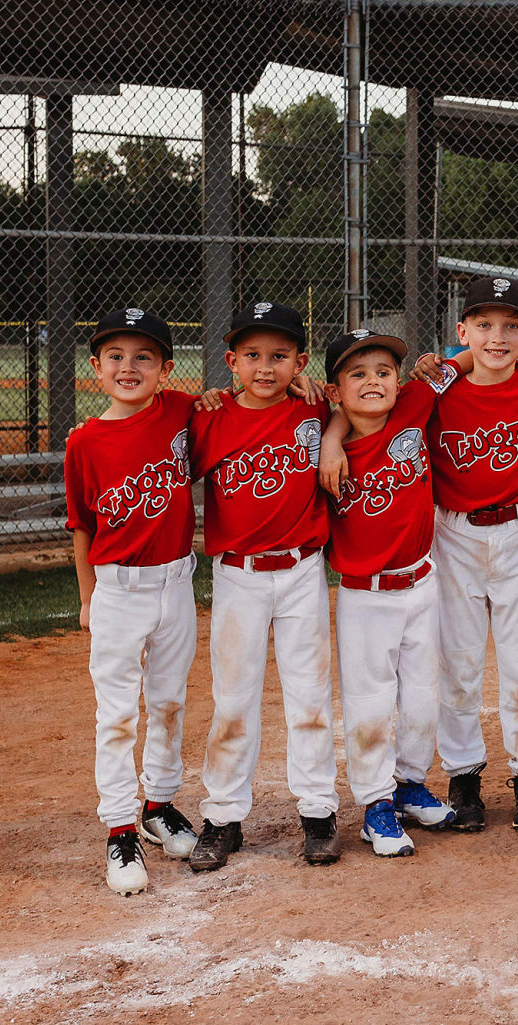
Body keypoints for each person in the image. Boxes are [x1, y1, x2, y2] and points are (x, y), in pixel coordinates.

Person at [187, 302, 343, 873]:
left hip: (303, 570)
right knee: (233, 701)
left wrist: (333, 428)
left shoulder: (315, 406)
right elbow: (154, 426)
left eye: (279, 356)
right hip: (238, 576)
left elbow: (365, 395)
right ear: (231, 361)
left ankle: (318, 812)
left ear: (299, 362)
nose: (265, 366)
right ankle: (223, 817)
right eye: (251, 355)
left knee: (309, 698)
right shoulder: (208, 416)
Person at [420, 278, 518, 833]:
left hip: (517, 534)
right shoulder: (437, 387)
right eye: (483, 325)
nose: (496, 336)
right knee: (457, 662)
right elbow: (367, 401)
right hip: (452, 535)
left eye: (511, 325)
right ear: (462, 332)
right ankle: (464, 775)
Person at [67, 307, 201, 895]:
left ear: (166, 369)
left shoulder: (181, 411)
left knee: (170, 701)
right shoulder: (84, 442)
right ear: (95, 368)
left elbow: (245, 401)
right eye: (116, 357)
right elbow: (82, 528)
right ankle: (120, 827)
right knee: (117, 714)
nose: (129, 367)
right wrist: (86, 599)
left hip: (177, 583)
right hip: (117, 590)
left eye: (144, 357)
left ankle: (158, 805)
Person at [322, 327, 456, 857]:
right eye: (357, 374)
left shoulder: (413, 408)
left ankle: (408, 784)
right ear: (335, 391)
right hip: (364, 595)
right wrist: (332, 437)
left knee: (422, 696)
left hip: (423, 583)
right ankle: (375, 804)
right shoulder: (320, 440)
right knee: (370, 704)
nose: (373, 382)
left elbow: (467, 360)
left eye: (383, 373)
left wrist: (440, 360)